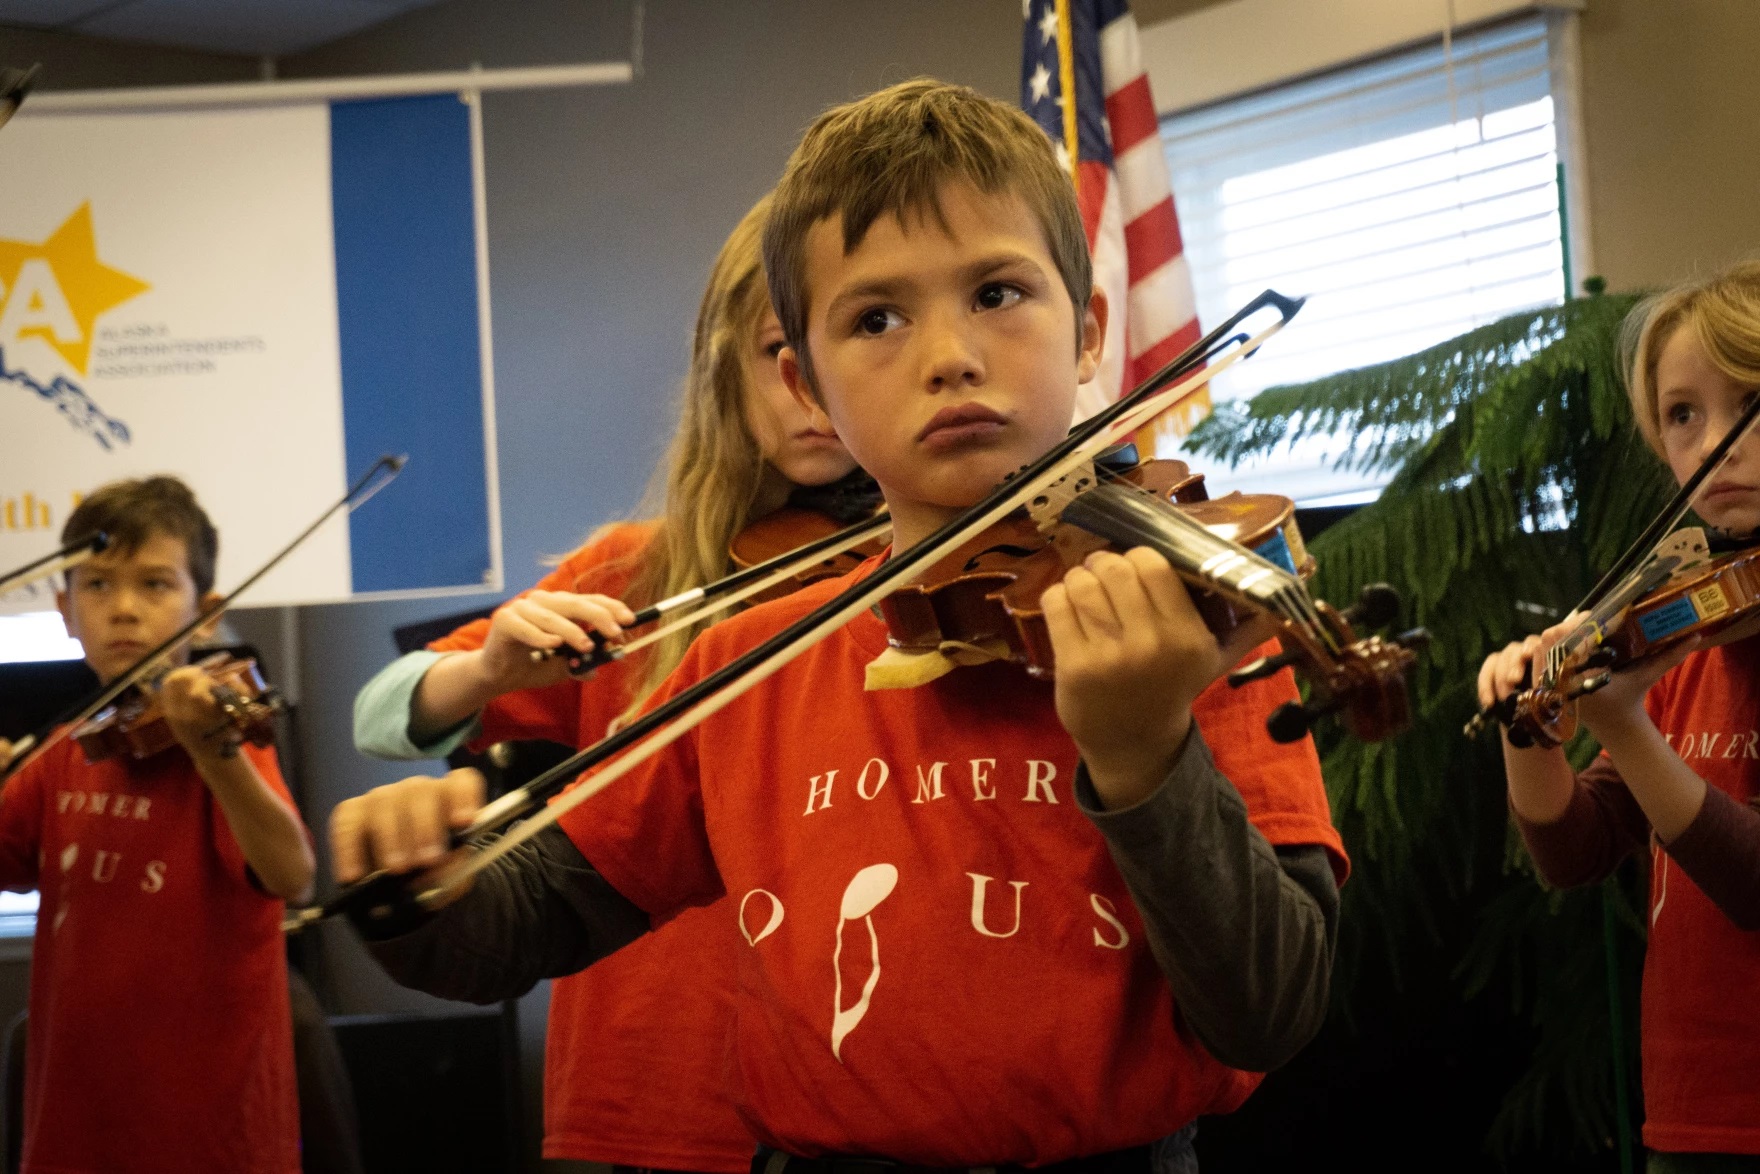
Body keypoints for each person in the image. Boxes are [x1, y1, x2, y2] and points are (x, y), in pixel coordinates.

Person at [333, 79, 1345, 1168]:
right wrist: (421, 889)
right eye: (876, 318)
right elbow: (533, 917)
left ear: (1089, 328)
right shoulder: (751, 656)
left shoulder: (1192, 623)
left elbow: (1270, 1008)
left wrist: (1147, 753)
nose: (948, 354)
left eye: (997, 293)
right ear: (804, 384)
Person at [351, 193, 863, 1172]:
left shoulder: (935, 579)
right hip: (647, 1072)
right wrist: (488, 667)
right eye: (775, 353)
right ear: (733, 372)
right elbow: (381, 714)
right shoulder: (638, 572)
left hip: (845, 1075)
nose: (811, 392)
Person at [1478, 262, 1760, 1171]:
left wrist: (1629, 727)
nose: (1719, 444)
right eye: (1683, 415)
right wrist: (1534, 729)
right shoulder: (1688, 630)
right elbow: (1578, 851)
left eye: (1748, 402)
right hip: (1692, 1110)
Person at [0, 476, 311, 1174]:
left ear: (206, 614)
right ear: (65, 609)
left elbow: (291, 874)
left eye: (155, 585)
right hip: (73, 1131)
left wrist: (215, 752)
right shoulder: (63, 755)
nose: (124, 610)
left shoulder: (229, 740)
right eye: (99, 586)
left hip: (211, 1139)